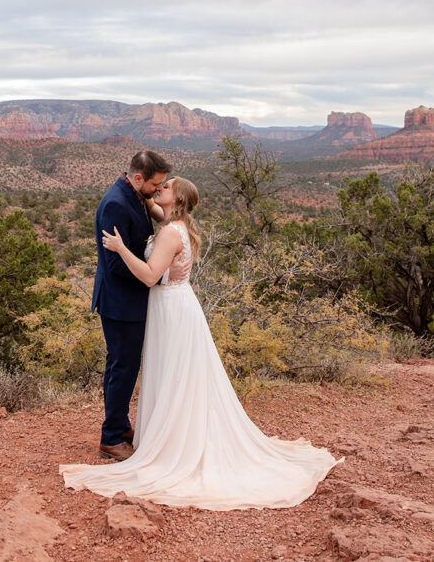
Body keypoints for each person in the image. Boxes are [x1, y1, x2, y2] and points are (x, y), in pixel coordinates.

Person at [61, 177, 342, 510]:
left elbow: (151, 276)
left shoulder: (168, 232)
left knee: (175, 372)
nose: (160, 188)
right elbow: (146, 201)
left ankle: (176, 443)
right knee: (178, 373)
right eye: (158, 184)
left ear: (177, 199)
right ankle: (174, 433)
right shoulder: (175, 222)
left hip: (171, 308)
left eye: (166, 187)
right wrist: (134, 185)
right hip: (177, 305)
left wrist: (121, 249)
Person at [90, 150, 173, 461]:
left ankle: (120, 425)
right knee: (123, 368)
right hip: (120, 301)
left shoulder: (134, 194)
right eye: (155, 184)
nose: (157, 189)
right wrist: (154, 272)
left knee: (122, 366)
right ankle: (110, 438)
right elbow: (115, 265)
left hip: (128, 299)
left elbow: (159, 213)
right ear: (138, 178)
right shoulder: (115, 203)